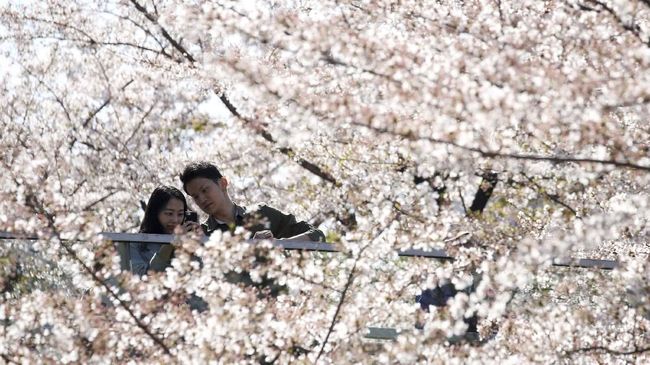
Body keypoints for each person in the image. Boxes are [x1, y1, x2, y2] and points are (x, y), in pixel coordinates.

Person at [179, 161, 325, 242]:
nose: (202, 199)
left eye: (205, 190)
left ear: (223, 183)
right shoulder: (203, 233)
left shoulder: (261, 213)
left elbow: (317, 235)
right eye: (195, 197)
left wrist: (279, 244)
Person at [129, 185, 202, 276]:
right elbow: (143, 277)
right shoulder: (136, 244)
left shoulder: (187, 241)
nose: (175, 220)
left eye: (180, 214)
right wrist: (169, 245)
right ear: (155, 213)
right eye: (169, 213)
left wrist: (198, 244)